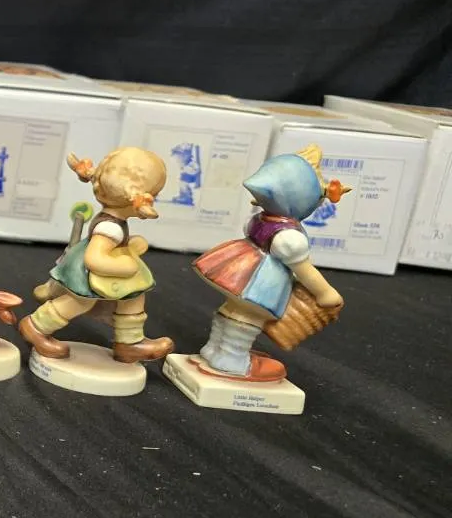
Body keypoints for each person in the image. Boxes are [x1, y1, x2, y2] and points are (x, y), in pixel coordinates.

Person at [190, 147, 346, 380]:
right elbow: (305, 270)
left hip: (238, 268)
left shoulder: (260, 219)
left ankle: (214, 349)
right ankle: (232, 358)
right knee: (250, 316)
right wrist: (325, 293)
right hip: (259, 282)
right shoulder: (288, 237)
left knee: (232, 309)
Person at [18, 148, 174, 363]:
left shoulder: (115, 224)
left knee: (134, 296)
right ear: (135, 199)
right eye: (153, 196)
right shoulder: (111, 229)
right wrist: (127, 266)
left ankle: (129, 343)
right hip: (88, 273)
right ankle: (36, 327)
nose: (153, 200)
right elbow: (94, 259)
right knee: (80, 302)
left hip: (97, 267)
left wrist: (130, 244)